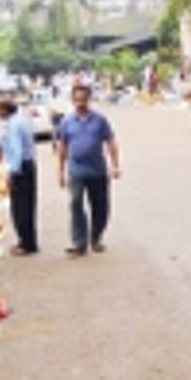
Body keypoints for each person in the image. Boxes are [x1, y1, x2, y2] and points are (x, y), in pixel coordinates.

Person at [56, 83, 122, 257]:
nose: (80, 103)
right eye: (77, 99)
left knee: (100, 207)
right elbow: (62, 147)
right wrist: (60, 172)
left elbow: (111, 143)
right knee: (75, 203)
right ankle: (79, 243)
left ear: (89, 99)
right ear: (72, 100)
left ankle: (96, 237)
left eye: (83, 99)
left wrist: (115, 166)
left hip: (97, 171)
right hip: (76, 171)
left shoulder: (100, 121)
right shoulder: (66, 122)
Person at [0, 98, 39, 255]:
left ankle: (26, 244)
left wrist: (12, 174)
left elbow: (17, 151)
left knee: (19, 208)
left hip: (20, 168)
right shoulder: (22, 121)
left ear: (6, 110)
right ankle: (29, 242)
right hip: (29, 165)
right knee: (28, 206)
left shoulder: (13, 126)